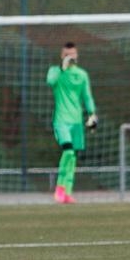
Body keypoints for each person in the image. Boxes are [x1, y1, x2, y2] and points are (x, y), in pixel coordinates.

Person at [46, 41, 97, 204]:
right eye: (67, 55)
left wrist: (92, 114)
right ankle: (60, 188)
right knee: (67, 151)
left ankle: (67, 192)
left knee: (73, 157)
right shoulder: (55, 71)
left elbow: (87, 96)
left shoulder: (81, 74)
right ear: (62, 56)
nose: (70, 57)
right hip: (61, 120)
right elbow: (50, 81)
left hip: (76, 121)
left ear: (77, 55)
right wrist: (62, 68)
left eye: (73, 54)